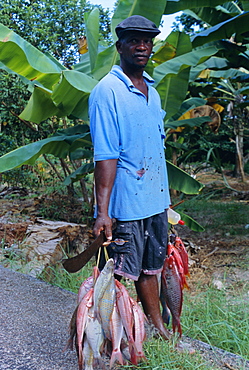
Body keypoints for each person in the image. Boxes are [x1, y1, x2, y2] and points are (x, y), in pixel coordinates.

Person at [89, 15, 171, 340]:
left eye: (147, 41)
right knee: (118, 274)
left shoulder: (152, 90)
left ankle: (156, 329)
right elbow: (106, 155)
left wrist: (166, 200)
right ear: (119, 45)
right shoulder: (106, 91)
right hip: (125, 204)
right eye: (134, 40)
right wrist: (102, 212)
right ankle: (111, 340)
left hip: (154, 200)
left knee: (151, 269)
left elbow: (155, 148)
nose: (141, 46)